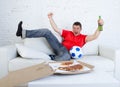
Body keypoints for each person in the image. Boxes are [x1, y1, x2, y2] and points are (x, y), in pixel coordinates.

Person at [16, 13, 104, 61]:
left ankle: (51, 58)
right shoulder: (68, 33)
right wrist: (50, 18)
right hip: (59, 47)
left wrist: (99, 25)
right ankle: (23, 33)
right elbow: (56, 28)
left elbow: (95, 36)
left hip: (68, 53)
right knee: (46, 31)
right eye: (74, 27)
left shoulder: (84, 37)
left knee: (66, 57)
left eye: (77, 28)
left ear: (81, 29)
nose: (75, 29)